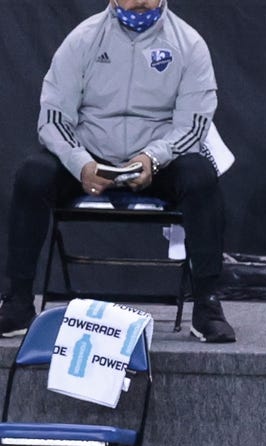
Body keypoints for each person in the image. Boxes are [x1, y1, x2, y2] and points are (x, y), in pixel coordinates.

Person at [0, 0, 236, 343]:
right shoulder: (82, 39)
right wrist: (80, 163)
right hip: (90, 158)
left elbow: (194, 123)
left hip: (158, 160)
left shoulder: (189, 44)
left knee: (200, 176)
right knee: (32, 175)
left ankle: (207, 306)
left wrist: (153, 158)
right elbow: (53, 117)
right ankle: (18, 302)